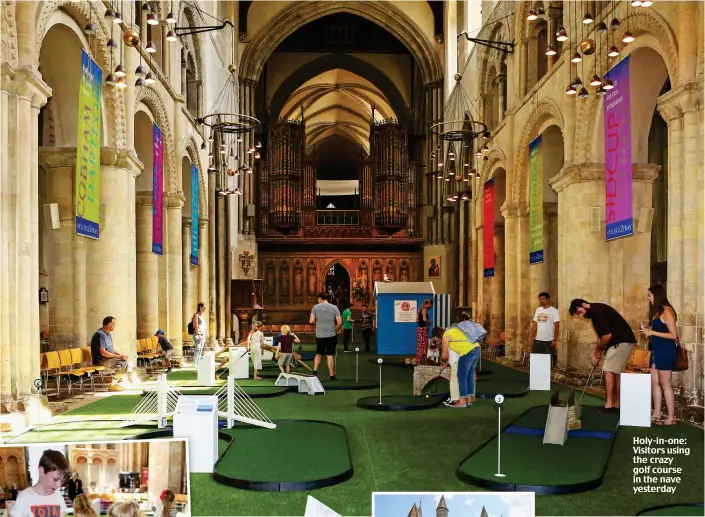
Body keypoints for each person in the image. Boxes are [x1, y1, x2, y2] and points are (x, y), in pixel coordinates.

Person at [569, 299, 637, 411]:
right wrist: (598, 352)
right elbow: (601, 336)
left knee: (608, 370)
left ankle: (610, 404)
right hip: (622, 342)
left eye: (579, 312)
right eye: (577, 314)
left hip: (621, 342)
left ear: (584, 305)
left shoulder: (597, 312)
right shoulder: (596, 311)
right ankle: (617, 404)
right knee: (616, 373)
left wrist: (598, 351)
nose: (580, 315)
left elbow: (607, 336)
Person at [641, 284, 679, 426]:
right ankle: (656, 413)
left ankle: (671, 418)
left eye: (650, 295)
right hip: (657, 351)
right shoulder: (658, 312)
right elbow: (659, 329)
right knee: (654, 383)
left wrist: (652, 332)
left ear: (656, 295)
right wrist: (649, 329)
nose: (649, 298)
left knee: (665, 384)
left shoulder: (667, 311)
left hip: (665, 351)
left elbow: (674, 335)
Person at [9, 449, 68, 517]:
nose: (58, 485)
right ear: (42, 471)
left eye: (62, 481)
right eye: (55, 479)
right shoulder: (25, 497)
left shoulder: (58, 497)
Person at [440, 318, 481, 408]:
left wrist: (442, 361)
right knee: (469, 375)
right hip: (477, 349)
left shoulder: (446, 335)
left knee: (461, 377)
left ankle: (462, 402)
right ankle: (469, 399)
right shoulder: (459, 330)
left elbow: (444, 355)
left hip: (467, 352)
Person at [90, 316, 128, 392]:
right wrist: (118, 356)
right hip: (101, 361)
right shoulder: (99, 335)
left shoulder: (108, 334)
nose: (115, 326)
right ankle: (113, 384)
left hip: (108, 359)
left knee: (123, 362)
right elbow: (103, 353)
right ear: (109, 324)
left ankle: (114, 382)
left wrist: (121, 355)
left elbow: (111, 349)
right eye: (114, 324)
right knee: (123, 363)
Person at [310, 292, 342, 380]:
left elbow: (311, 321)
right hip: (331, 335)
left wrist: (318, 320)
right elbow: (339, 322)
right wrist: (336, 329)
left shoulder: (315, 307)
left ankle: (315, 371)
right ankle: (332, 375)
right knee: (329, 354)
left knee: (319, 354)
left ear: (320, 298)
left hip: (319, 334)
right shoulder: (334, 307)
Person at [530, 292, 560, 365]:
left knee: (547, 362)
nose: (541, 301)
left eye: (543, 299)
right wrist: (532, 336)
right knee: (535, 361)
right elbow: (535, 324)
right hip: (537, 340)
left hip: (548, 341)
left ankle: (546, 376)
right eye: (540, 299)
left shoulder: (554, 311)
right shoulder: (538, 310)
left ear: (548, 299)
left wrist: (554, 339)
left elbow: (556, 326)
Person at [416, 299, 433, 364]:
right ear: (428, 304)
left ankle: (419, 360)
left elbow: (417, 320)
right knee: (423, 345)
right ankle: (422, 361)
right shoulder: (424, 309)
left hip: (419, 329)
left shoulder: (420, 309)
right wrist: (429, 322)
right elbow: (424, 319)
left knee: (420, 345)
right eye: (431, 305)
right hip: (423, 330)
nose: (430, 306)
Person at [190, 302, 207, 366]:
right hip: (198, 334)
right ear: (200, 307)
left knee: (201, 349)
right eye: (204, 307)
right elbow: (196, 326)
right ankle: (195, 363)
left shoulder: (201, 316)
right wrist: (198, 335)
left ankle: (198, 362)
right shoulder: (196, 315)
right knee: (198, 348)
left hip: (203, 334)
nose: (205, 309)